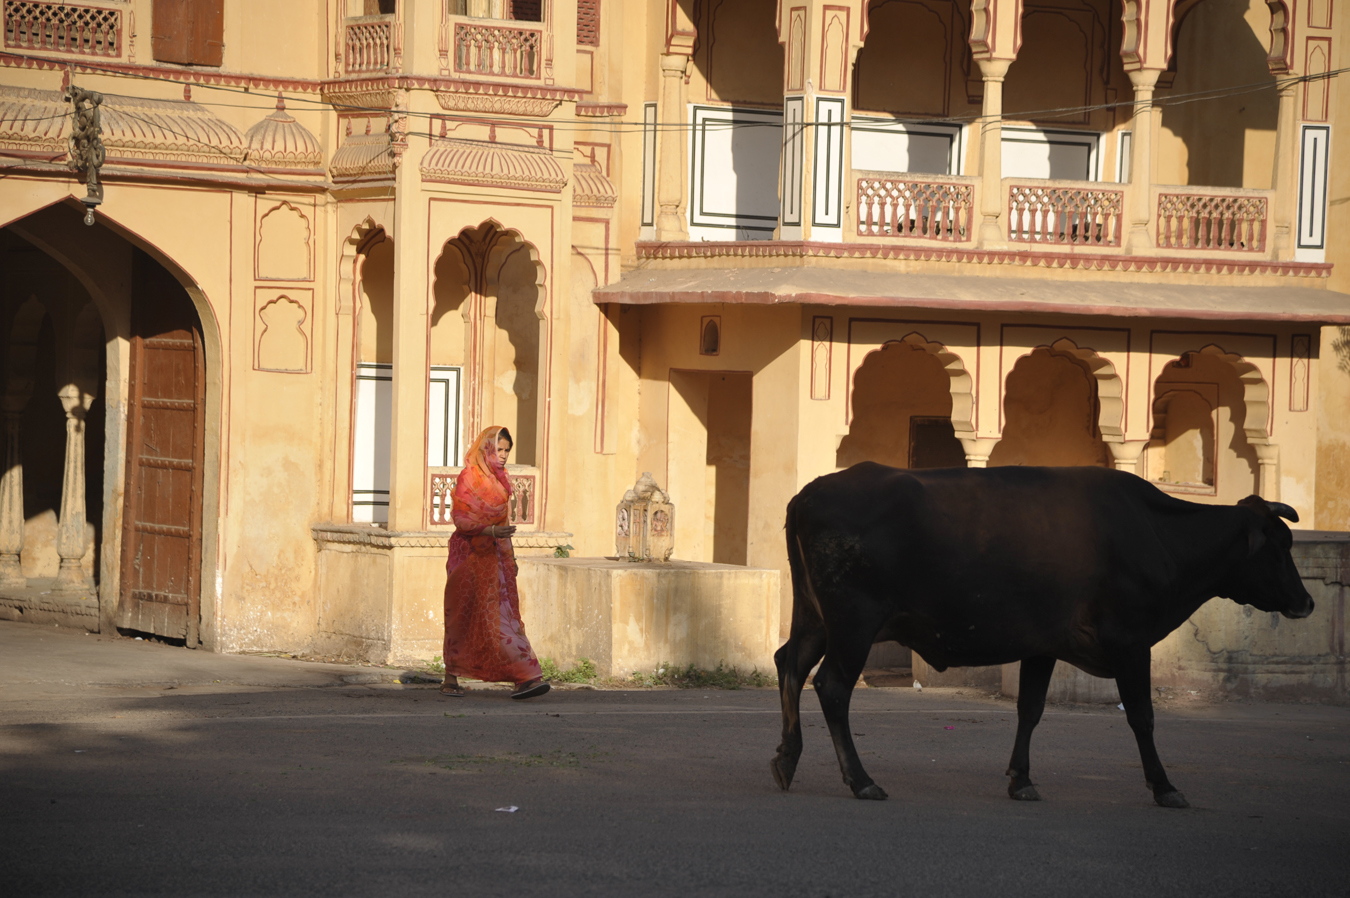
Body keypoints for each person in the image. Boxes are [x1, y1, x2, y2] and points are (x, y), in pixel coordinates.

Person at [440, 425, 550, 700]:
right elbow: (461, 520)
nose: (502, 456)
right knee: (463, 616)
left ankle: (525, 676)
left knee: (503, 617)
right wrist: (488, 532)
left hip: (495, 556)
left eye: (507, 451)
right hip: (467, 554)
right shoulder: (469, 479)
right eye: (498, 450)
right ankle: (450, 677)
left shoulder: (502, 481)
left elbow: (504, 524)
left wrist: (510, 556)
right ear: (487, 449)